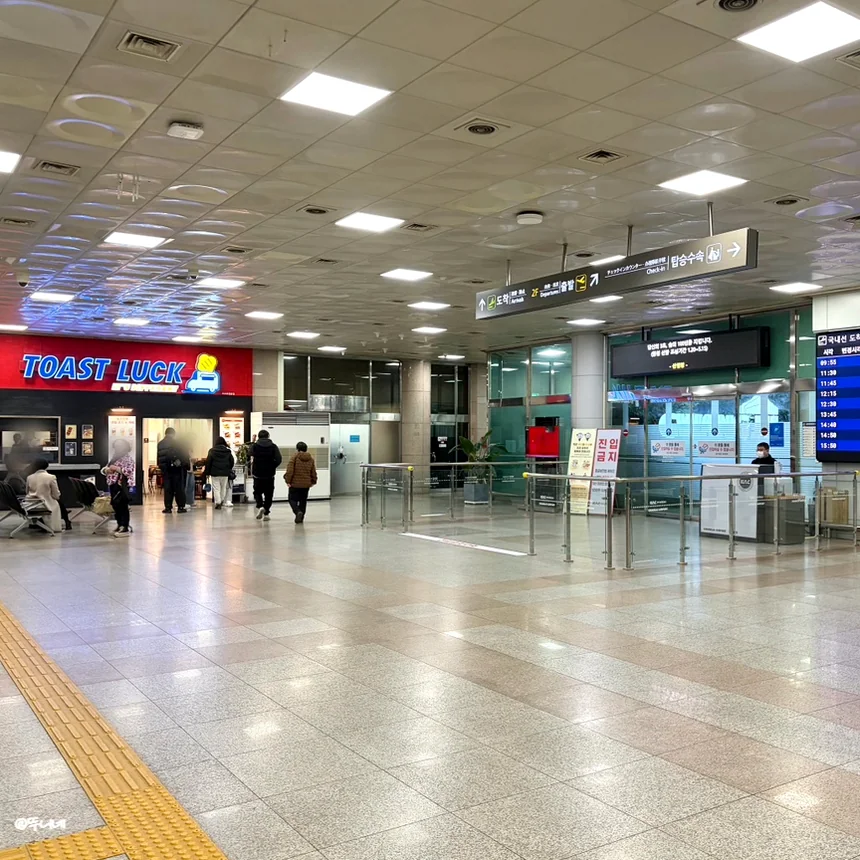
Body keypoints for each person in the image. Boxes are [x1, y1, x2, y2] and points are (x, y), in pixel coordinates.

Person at [101, 448, 134, 537]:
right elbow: (104, 468)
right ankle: (119, 524)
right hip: (112, 485)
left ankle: (124, 526)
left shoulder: (128, 459)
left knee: (122, 505)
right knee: (115, 505)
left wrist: (117, 468)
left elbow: (129, 471)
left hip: (121, 486)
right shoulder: (114, 458)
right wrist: (106, 470)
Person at [250, 429, 282, 520]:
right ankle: (266, 512)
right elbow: (279, 459)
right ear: (268, 436)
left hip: (257, 474)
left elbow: (250, 453)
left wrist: (253, 442)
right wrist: (272, 466)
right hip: (269, 474)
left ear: (259, 437)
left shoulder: (255, 446)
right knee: (269, 494)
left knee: (257, 492)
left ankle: (260, 506)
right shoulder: (273, 446)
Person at [25, 458, 63, 533]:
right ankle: (54, 528)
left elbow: (26, 492)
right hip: (45, 504)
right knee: (56, 504)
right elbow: (56, 494)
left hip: (30, 504)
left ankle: (41, 524)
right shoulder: (51, 477)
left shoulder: (29, 477)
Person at [157, 428, 189, 513]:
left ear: (165, 433)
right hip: (177, 470)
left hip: (166, 470)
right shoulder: (177, 443)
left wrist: (162, 467)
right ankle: (180, 507)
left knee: (168, 489)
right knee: (179, 489)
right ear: (173, 434)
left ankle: (168, 507)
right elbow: (183, 456)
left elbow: (159, 458)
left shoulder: (160, 444)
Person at [285, 441, 317, 524]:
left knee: (292, 499)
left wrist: (288, 480)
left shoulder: (294, 457)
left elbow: (290, 470)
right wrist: (314, 480)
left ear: (297, 449)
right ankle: (301, 517)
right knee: (303, 501)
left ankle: (297, 512)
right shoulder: (311, 458)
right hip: (306, 484)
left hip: (295, 484)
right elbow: (313, 471)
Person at [204, 437, 235, 509]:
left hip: (215, 472)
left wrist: (207, 472)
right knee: (223, 488)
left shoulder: (212, 451)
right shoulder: (228, 451)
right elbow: (232, 461)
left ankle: (218, 502)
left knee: (216, 488)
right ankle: (221, 501)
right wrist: (228, 468)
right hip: (225, 473)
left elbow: (208, 462)